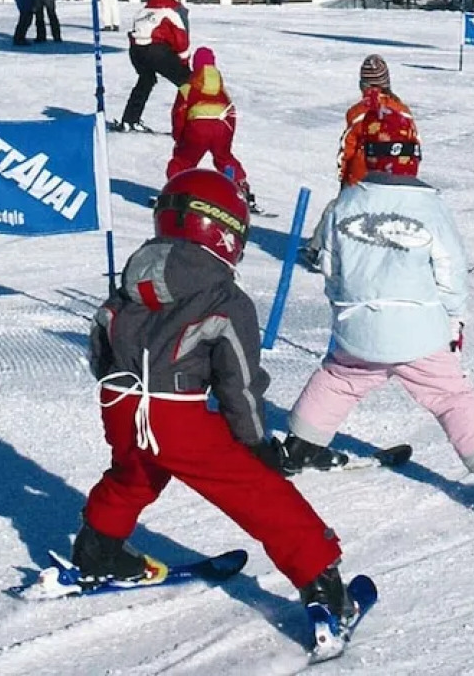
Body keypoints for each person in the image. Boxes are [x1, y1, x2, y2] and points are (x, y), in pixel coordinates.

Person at [73, 168, 360, 627]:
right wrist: (254, 443)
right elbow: (238, 383)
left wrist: (122, 387)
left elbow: (100, 339)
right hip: (174, 413)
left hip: (119, 402)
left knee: (136, 470)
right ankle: (322, 584)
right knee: (257, 490)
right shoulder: (224, 297)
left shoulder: (131, 281)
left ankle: (97, 548)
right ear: (224, 230)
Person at [277, 118, 474, 528]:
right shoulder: (431, 209)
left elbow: (329, 267)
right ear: (415, 158)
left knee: (338, 379)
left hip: (359, 328)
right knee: (450, 395)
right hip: (419, 333)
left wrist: (346, 309)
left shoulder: (345, 204)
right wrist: (453, 320)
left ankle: (299, 448)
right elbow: (451, 272)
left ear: (369, 157)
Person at [300, 55, 418, 271]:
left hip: (363, 175)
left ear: (363, 84)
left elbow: (347, 148)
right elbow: (414, 143)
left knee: (338, 210)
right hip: (398, 176)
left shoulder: (359, 112)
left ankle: (318, 250)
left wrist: (344, 177)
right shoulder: (404, 111)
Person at [167, 47, 255, 208]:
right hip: (222, 126)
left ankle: (177, 192)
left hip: (197, 128)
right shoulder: (222, 90)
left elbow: (179, 114)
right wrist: (227, 138)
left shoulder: (187, 88)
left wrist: (179, 137)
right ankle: (241, 190)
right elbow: (231, 113)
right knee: (224, 158)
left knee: (183, 160)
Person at [114, 0, 190, 133]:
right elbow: (181, 39)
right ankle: (191, 124)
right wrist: (184, 61)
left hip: (136, 51)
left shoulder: (144, 10)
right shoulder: (174, 10)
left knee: (146, 80)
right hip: (157, 51)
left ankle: (130, 120)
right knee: (188, 83)